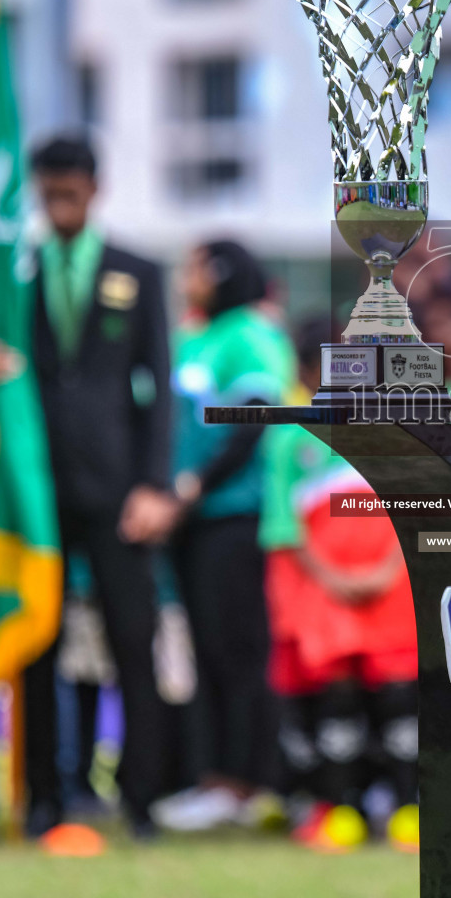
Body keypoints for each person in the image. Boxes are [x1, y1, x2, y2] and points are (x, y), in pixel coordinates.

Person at [17, 133, 175, 838]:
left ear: (95, 188)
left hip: (118, 491)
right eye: (48, 195)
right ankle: (43, 796)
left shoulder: (137, 271)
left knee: (132, 641)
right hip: (37, 493)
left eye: (70, 193)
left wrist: (153, 486)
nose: (59, 206)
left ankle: (140, 797)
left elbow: (160, 392)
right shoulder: (13, 275)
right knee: (36, 646)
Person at [149, 240, 293, 833]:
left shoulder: (247, 334)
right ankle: (213, 779)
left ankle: (243, 783)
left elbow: (254, 420)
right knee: (205, 652)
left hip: (234, 516)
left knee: (237, 652)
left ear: (222, 271)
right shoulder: (195, 336)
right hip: (191, 521)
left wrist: (190, 487)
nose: (186, 277)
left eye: (194, 265)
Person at [261, 317, 419, 853]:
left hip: (390, 590)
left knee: (400, 699)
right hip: (323, 593)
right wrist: (331, 577)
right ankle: (343, 811)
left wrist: (388, 570)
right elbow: (282, 522)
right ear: (305, 374)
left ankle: (408, 810)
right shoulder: (289, 436)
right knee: (338, 700)